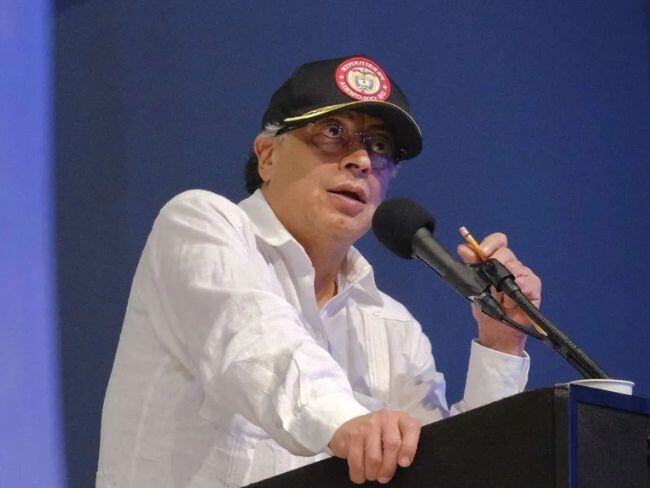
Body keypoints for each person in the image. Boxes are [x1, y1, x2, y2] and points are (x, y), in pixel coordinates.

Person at [96, 55, 541, 488]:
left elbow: (448, 472)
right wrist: (347, 421)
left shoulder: (393, 327)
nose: (361, 160)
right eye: (333, 132)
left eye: (380, 146)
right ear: (267, 156)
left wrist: (501, 345)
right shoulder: (198, 225)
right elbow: (254, 341)